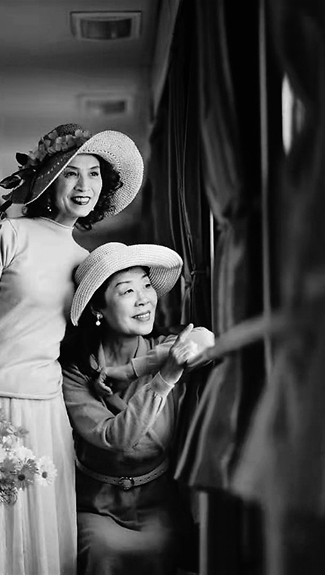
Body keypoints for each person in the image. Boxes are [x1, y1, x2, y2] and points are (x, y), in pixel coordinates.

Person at [0, 124, 144, 574]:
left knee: (36, 541)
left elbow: (78, 343)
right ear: (49, 179)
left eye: (94, 175)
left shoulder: (86, 263)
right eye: (72, 173)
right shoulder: (7, 233)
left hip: (45, 410)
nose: (84, 185)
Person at [60, 242, 215, 575]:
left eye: (146, 285)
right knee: (99, 552)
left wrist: (131, 370)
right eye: (127, 290)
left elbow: (206, 342)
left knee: (167, 549)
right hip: (97, 508)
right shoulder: (76, 372)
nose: (143, 299)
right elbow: (115, 438)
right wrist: (165, 378)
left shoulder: (163, 348)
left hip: (159, 505)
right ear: (97, 308)